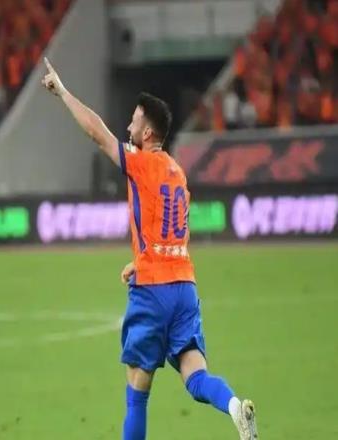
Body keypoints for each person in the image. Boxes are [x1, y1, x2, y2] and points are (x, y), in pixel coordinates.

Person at [41, 58, 258, 440]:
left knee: (137, 393)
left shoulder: (142, 163)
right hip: (184, 287)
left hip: (153, 292)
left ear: (148, 132)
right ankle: (234, 406)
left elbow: (97, 133)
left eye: (133, 121)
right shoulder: (177, 173)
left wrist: (63, 92)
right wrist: (139, 261)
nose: (128, 128)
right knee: (195, 374)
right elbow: (170, 232)